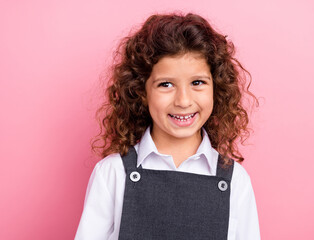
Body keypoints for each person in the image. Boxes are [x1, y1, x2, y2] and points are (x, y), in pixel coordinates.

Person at [75, 12, 260, 240]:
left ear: (217, 88)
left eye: (197, 82)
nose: (183, 100)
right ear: (141, 92)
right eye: (166, 84)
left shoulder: (236, 181)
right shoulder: (112, 174)